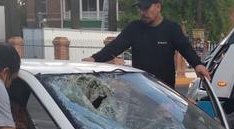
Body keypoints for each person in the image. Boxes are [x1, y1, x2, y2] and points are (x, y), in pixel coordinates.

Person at [82, 0, 211, 88]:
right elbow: (115, 47)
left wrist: (197, 64)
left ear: (158, 6)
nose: (143, 12)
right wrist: (94, 58)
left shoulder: (171, 29)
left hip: (165, 93)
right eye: (140, 8)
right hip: (140, 92)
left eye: (146, 8)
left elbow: (186, 48)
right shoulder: (134, 28)